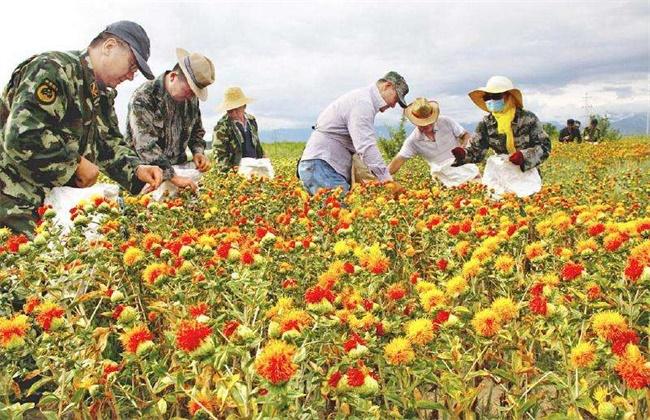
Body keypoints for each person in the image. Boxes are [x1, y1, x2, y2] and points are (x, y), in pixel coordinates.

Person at [0, 21, 163, 235]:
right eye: (131, 65)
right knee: (41, 263)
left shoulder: (101, 95)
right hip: (14, 198)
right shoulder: (54, 69)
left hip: (55, 201)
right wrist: (75, 165)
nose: (131, 76)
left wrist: (137, 170)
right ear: (109, 46)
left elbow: (108, 144)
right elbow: (22, 136)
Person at [297, 71, 409, 195]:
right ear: (387, 86)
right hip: (323, 166)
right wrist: (387, 181)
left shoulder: (363, 99)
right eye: (396, 98)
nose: (394, 105)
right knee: (341, 211)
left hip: (320, 167)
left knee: (334, 210)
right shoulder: (363, 103)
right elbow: (366, 146)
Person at [127, 49, 214, 191]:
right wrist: (172, 177)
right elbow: (145, 146)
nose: (191, 97)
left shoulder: (191, 99)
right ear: (173, 76)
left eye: (194, 94)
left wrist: (198, 152)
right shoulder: (144, 97)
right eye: (189, 91)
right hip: (148, 177)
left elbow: (196, 131)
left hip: (179, 171)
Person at [452, 75, 551, 173]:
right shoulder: (486, 123)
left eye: (496, 96)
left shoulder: (527, 118)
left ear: (509, 96)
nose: (491, 100)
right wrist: (463, 154)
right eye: (487, 97)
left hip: (526, 171)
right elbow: (476, 150)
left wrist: (523, 157)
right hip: (501, 171)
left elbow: (544, 146)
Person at [388, 97, 472, 177]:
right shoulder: (413, 141)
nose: (426, 125)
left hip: (464, 169)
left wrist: (463, 148)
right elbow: (398, 160)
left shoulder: (446, 122)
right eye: (422, 123)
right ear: (415, 122)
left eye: (428, 121)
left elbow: (465, 135)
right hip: (442, 177)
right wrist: (381, 177)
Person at [211, 87, 265, 171]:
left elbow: (257, 145)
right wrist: (230, 169)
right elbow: (219, 154)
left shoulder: (251, 121)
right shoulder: (221, 127)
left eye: (236, 109)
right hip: (235, 171)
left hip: (254, 168)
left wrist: (263, 159)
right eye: (230, 111)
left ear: (244, 106)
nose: (233, 113)